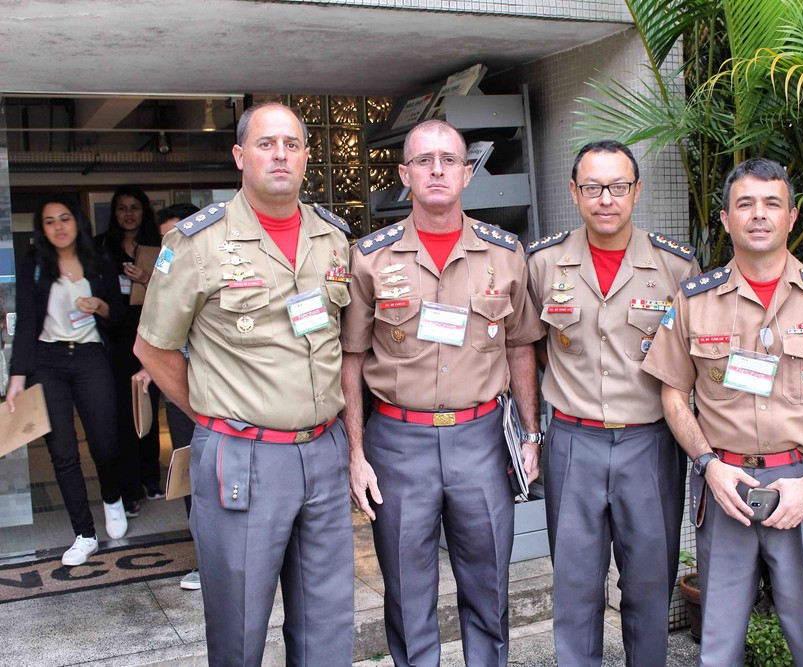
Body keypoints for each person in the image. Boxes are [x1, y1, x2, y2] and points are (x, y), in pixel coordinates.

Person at [642, 158, 803, 666]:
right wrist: (709, 467)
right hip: (725, 487)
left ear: (792, 217)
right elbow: (673, 395)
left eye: (772, 203)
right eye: (745, 204)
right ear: (726, 219)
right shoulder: (694, 301)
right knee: (717, 644)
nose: (759, 214)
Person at [134, 102, 355, 665]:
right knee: (239, 630)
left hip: (324, 454)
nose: (279, 154)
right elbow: (152, 349)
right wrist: (217, 413)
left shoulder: (333, 238)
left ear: (306, 156)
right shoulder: (196, 243)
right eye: (265, 143)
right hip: (244, 457)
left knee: (327, 625)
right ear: (239, 155)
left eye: (291, 144)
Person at [342, 118, 546, 667]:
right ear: (405, 174)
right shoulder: (370, 257)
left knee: (489, 589)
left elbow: (521, 346)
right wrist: (356, 453)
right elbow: (352, 357)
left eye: (449, 160)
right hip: (397, 444)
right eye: (424, 160)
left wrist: (530, 435)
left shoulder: (505, 254)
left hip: (481, 442)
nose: (437, 170)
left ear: (466, 173)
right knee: (408, 598)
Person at [525, 140, 698, 666]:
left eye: (618, 186)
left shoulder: (675, 268)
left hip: (649, 445)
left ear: (637, 191)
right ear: (575, 192)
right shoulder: (544, 263)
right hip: (573, 444)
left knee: (649, 584)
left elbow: (692, 365)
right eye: (594, 187)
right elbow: (530, 348)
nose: (606, 199)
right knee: (575, 586)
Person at [6, 196, 128, 565]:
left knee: (105, 442)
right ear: (41, 228)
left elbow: (118, 312)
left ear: (77, 222)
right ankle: (84, 533)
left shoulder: (100, 261)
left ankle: (112, 497)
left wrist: (100, 306)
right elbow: (27, 320)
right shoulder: (36, 266)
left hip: (91, 356)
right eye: (49, 221)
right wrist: (16, 377)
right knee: (62, 452)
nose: (58, 226)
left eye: (64, 219)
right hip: (48, 361)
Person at [133, 202, 202, 590]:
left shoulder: (227, 268)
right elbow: (158, 339)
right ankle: (206, 562)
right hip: (184, 394)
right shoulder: (165, 279)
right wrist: (150, 367)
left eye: (177, 236)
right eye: (165, 242)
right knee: (194, 479)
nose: (171, 247)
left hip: (230, 395)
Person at [96, 185, 163, 510]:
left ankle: (151, 478)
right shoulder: (103, 247)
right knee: (122, 414)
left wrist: (147, 278)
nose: (128, 214)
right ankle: (130, 488)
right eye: (122, 208)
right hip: (116, 340)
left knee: (148, 410)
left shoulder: (160, 246)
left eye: (134, 207)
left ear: (143, 211)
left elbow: (172, 292)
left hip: (150, 336)